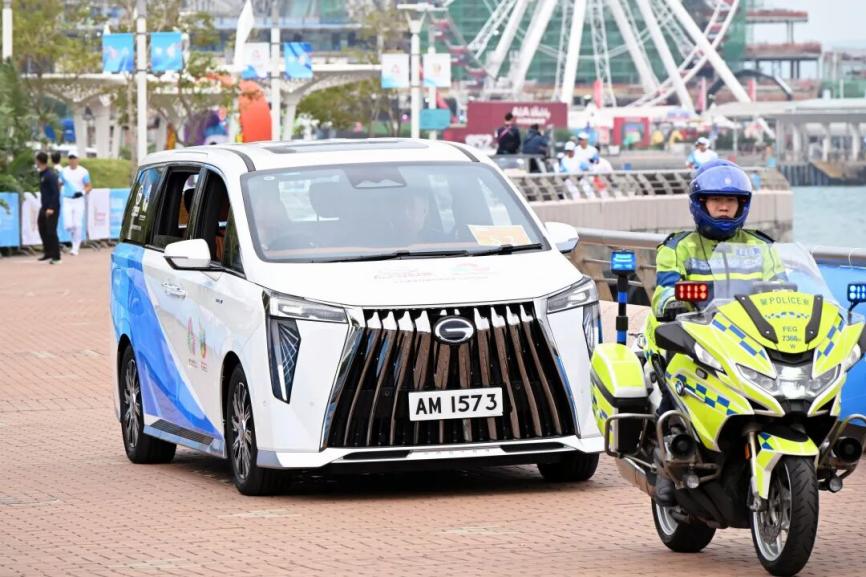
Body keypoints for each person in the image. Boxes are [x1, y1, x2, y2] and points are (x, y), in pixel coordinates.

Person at [650, 159, 784, 506]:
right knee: (675, 388)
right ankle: (667, 460)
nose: (724, 207)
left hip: (748, 337)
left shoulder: (763, 248)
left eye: (731, 201)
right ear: (701, 204)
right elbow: (663, 290)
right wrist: (673, 302)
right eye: (716, 200)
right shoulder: (678, 247)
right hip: (694, 337)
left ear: (742, 205)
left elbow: (784, 290)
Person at [59, 148, 92, 255]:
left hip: (78, 200)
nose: (72, 160)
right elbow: (59, 184)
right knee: (68, 225)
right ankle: (73, 238)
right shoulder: (64, 172)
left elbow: (89, 186)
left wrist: (82, 192)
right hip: (67, 200)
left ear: (77, 159)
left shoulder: (83, 172)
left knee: (77, 225)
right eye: (70, 158)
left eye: (74, 158)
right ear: (68, 159)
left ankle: (75, 248)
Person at [36, 151, 61, 264]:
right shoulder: (42, 174)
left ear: (39, 161)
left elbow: (55, 192)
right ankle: (48, 252)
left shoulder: (50, 175)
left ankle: (56, 257)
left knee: (51, 231)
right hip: (44, 206)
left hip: (52, 207)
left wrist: (51, 208)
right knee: (42, 228)